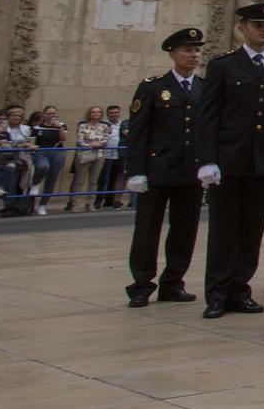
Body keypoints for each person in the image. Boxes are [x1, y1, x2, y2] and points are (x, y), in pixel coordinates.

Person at [196, 2, 264, 318]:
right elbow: (208, 116)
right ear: (242, 28)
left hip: (263, 162)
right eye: (258, 25)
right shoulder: (224, 66)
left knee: (252, 228)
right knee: (224, 228)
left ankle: (241, 288)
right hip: (230, 159)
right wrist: (207, 159)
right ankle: (217, 291)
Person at [122, 29, 206, 305]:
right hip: (158, 169)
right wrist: (136, 170)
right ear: (172, 53)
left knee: (184, 229)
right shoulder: (153, 87)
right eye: (187, 50)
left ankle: (173, 282)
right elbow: (138, 132)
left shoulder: (203, 87)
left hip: (190, 170)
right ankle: (142, 283)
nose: (193, 55)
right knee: (148, 229)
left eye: (196, 50)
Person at [71, 107, 110, 210]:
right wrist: (90, 145)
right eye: (94, 112)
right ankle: (75, 203)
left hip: (99, 154)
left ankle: (90, 202)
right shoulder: (83, 125)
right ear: (89, 114)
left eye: (98, 112)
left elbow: (106, 138)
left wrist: (99, 144)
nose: (96, 114)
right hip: (84, 153)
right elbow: (79, 139)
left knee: (94, 180)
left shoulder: (104, 126)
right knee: (79, 179)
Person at [31, 106, 67, 215]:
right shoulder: (37, 128)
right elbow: (32, 141)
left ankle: (42, 205)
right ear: (44, 114)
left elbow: (63, 139)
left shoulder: (62, 125)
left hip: (57, 152)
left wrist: (59, 127)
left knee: (52, 178)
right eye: (49, 113)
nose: (52, 116)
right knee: (43, 167)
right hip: (42, 152)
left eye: (54, 114)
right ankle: (35, 184)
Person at [98, 104, 127, 207]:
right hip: (105, 155)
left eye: (116, 112)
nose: (114, 115)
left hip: (119, 155)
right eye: (111, 113)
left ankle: (111, 200)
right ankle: (99, 200)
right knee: (102, 179)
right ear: (107, 114)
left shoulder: (123, 124)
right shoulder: (104, 124)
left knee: (115, 178)